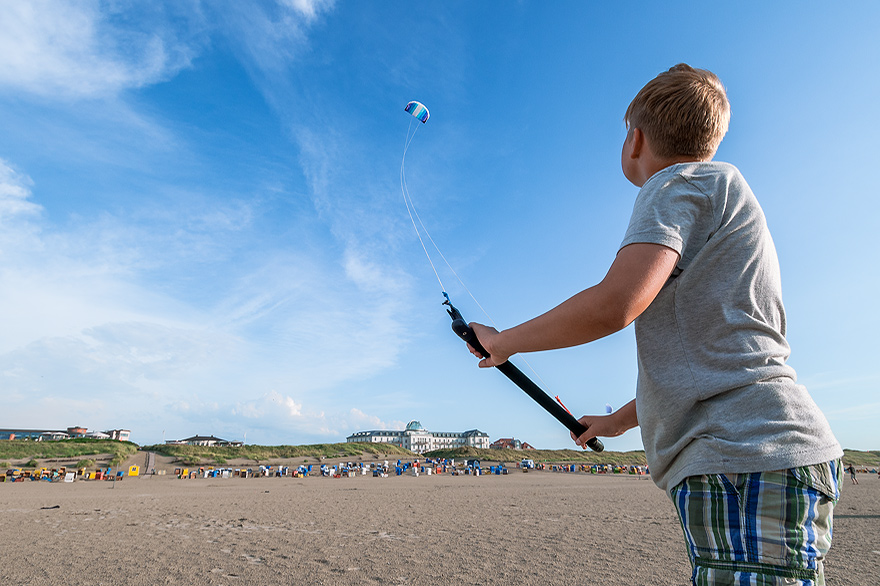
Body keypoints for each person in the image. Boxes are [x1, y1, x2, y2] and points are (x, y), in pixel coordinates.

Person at [469, 64, 843, 585]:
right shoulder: (722, 194)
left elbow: (615, 304)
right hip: (766, 451)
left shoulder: (678, 183)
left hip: (742, 455)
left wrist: (504, 342)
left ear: (636, 140)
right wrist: (616, 422)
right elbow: (710, 363)